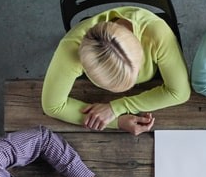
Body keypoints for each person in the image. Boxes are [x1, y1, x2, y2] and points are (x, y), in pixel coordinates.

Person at [42, 7, 191, 136]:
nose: (133, 85)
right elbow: (52, 106)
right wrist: (117, 121)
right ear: (85, 68)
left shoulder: (158, 33)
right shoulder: (69, 49)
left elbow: (181, 92)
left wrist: (117, 107)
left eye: (138, 68)